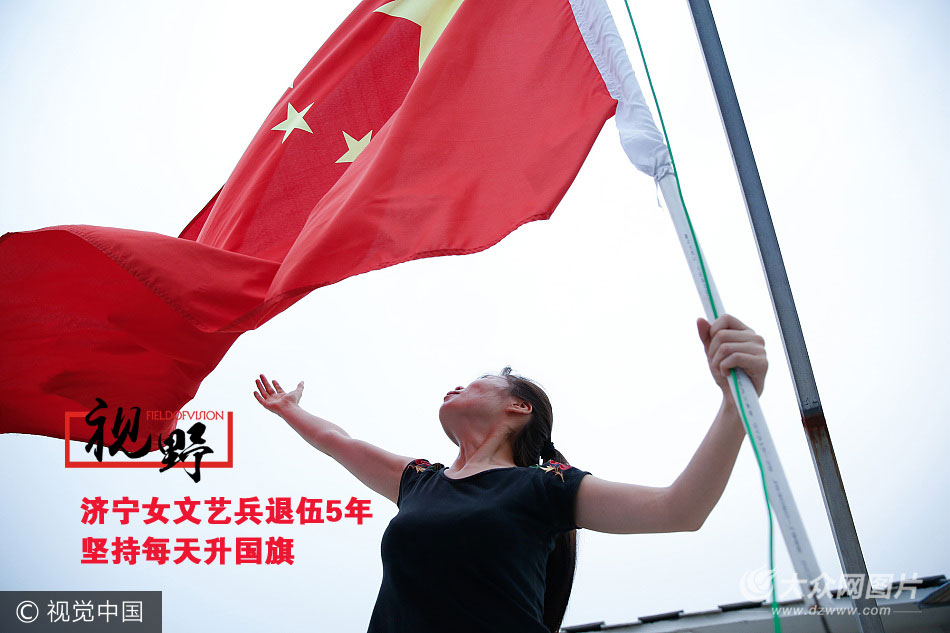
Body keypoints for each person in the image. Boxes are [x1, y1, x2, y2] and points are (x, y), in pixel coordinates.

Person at [253, 313, 768, 633]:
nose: (457, 386)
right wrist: (290, 410)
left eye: (478, 381)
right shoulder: (419, 482)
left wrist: (733, 406)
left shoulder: (545, 488)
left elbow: (679, 509)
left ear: (518, 407)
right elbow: (339, 441)